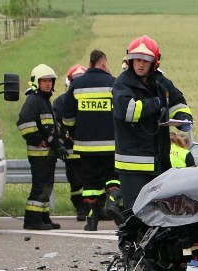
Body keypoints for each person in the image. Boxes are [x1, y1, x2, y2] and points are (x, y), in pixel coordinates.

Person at [112, 35, 193, 209]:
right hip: (133, 164)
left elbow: (177, 102)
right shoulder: (122, 83)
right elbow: (128, 111)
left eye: (145, 61)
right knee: (134, 212)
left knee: (159, 211)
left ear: (154, 62)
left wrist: (183, 118)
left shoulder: (161, 82)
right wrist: (155, 103)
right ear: (130, 61)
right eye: (137, 60)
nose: (141, 65)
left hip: (159, 161)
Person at [61, 49, 122, 231]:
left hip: (85, 146)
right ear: (103, 64)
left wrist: (73, 132)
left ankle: (91, 220)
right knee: (112, 177)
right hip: (110, 144)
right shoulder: (113, 83)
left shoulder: (77, 85)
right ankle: (112, 204)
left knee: (89, 184)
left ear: (90, 63)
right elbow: (121, 112)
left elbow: (67, 116)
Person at [17, 64, 62, 230]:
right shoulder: (34, 100)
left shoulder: (44, 100)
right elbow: (24, 123)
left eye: (50, 81)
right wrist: (37, 140)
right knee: (40, 185)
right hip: (38, 153)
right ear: (36, 82)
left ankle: (44, 218)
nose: (48, 84)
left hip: (47, 153)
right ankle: (32, 220)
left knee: (46, 185)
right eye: (44, 81)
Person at [52, 64, 87, 222]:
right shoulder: (60, 102)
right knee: (77, 182)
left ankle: (96, 209)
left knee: (93, 181)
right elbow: (56, 124)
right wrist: (67, 135)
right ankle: (80, 209)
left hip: (90, 150)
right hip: (71, 150)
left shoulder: (89, 100)